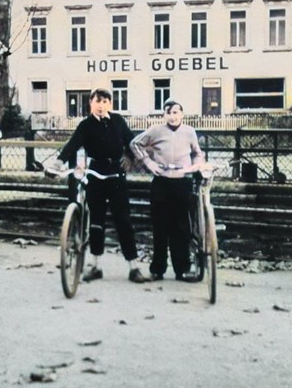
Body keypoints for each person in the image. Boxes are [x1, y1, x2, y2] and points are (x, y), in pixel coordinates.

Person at [52, 88, 147, 284]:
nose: (101, 105)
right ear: (91, 104)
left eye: (105, 101)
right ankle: (96, 266)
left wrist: (129, 157)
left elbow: (133, 142)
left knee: (124, 221)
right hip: (95, 175)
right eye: (97, 101)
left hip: (116, 175)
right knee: (96, 222)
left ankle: (134, 266)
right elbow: (72, 145)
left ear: (110, 104)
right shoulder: (86, 125)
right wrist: (57, 164)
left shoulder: (118, 121)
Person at [131, 100, 209, 282]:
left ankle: (182, 269)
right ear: (164, 115)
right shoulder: (156, 130)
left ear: (182, 114)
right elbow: (135, 144)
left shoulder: (190, 132)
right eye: (169, 113)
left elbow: (197, 152)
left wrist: (197, 164)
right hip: (161, 183)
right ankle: (157, 269)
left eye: (176, 112)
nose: (173, 116)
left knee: (181, 228)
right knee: (160, 227)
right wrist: (149, 162)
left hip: (182, 183)